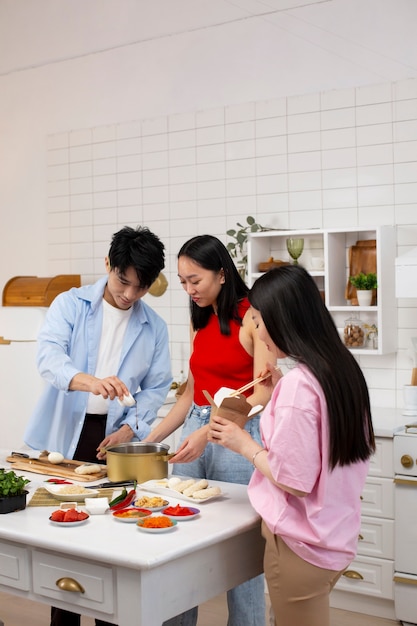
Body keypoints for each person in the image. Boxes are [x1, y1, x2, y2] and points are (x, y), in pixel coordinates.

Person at [208, 264, 376, 626]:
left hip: (302, 548)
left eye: (259, 319)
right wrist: (283, 383)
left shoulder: (300, 387)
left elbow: (294, 479)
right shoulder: (340, 368)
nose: (257, 330)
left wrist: (243, 444)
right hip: (336, 536)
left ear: (285, 318)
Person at [24, 225, 172, 626]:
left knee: (116, 537)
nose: (128, 295)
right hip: (64, 435)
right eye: (122, 281)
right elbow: (49, 357)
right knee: (67, 539)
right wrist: (91, 380)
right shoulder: (70, 304)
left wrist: (132, 429)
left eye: (139, 288)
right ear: (108, 264)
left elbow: (157, 387)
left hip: (116, 440)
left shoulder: (154, 327)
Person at [144, 234, 271, 626]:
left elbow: (262, 394)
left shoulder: (255, 316)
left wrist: (210, 432)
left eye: (194, 280)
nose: (188, 289)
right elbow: (189, 394)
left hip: (239, 434)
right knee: (179, 546)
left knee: (243, 557)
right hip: (197, 430)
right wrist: (147, 441)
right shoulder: (200, 317)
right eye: (182, 281)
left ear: (221, 272)